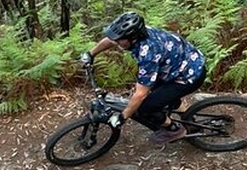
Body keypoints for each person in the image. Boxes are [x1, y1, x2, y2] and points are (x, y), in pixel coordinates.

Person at [85, 11, 207, 144]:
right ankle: (187, 117)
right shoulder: (139, 33)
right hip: (180, 64)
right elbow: (111, 40)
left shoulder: (148, 54)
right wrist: (91, 54)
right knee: (160, 98)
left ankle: (174, 129)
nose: (116, 41)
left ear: (132, 38)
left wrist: (122, 117)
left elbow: (140, 94)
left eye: (120, 39)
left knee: (144, 109)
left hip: (189, 76)